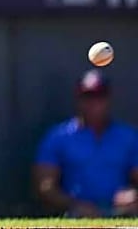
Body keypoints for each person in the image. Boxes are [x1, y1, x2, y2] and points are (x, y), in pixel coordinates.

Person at [34, 69, 138, 217]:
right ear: (78, 99)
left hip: (119, 212)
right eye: (88, 96)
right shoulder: (58, 137)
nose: (94, 103)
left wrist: (133, 196)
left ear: (108, 99)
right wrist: (75, 205)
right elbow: (45, 187)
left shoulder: (128, 137)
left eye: (99, 96)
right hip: (76, 213)